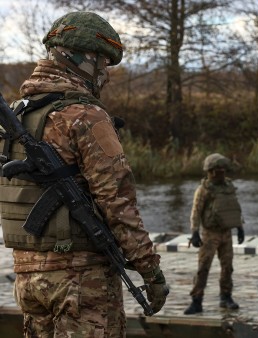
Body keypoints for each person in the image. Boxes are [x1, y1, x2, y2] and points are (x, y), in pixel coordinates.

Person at [0, 11, 168, 337]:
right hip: (80, 281)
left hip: (28, 277)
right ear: (83, 60)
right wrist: (151, 272)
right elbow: (118, 202)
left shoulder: (18, 116)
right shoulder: (85, 115)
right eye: (103, 63)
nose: (105, 73)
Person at [184, 153, 245, 314]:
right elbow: (196, 212)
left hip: (226, 233)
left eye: (223, 169)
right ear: (210, 171)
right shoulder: (204, 190)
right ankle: (196, 300)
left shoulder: (228, 187)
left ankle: (226, 297)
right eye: (218, 169)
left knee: (227, 267)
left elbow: (234, 208)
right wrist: (195, 232)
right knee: (203, 268)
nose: (221, 172)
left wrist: (239, 227)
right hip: (209, 234)